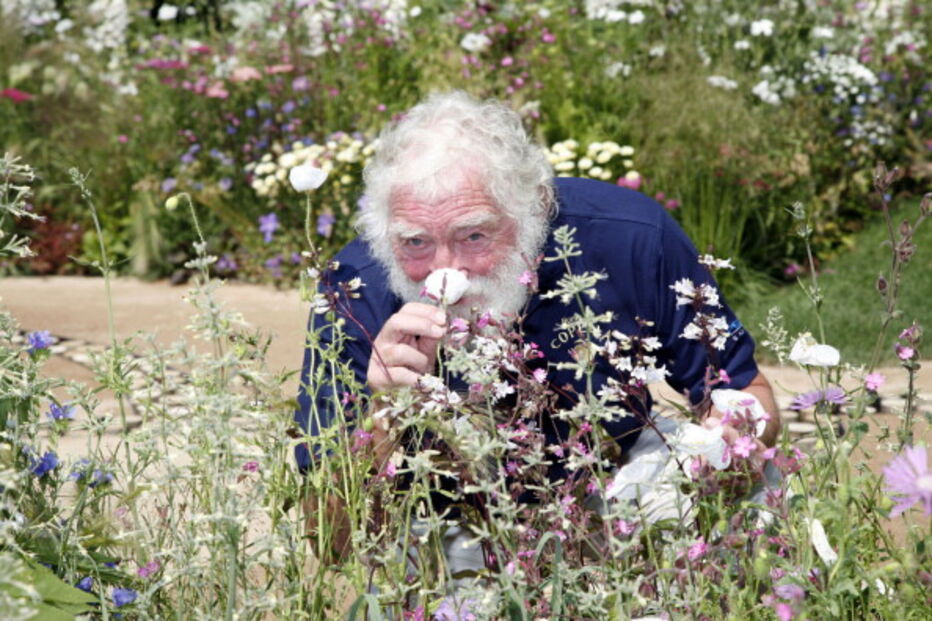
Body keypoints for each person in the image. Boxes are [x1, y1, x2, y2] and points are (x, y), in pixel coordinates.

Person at [295, 91, 780, 564]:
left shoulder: (629, 236)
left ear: (536, 209)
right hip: (454, 514)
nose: (449, 274)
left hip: (616, 474)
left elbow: (746, 390)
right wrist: (385, 414)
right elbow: (332, 544)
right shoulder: (355, 289)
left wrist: (734, 437)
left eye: (475, 235)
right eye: (416, 242)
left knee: (764, 496)